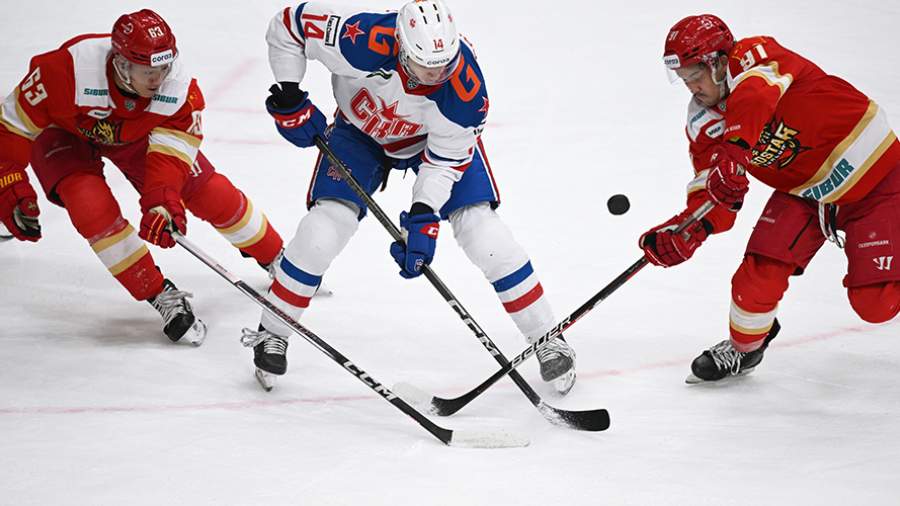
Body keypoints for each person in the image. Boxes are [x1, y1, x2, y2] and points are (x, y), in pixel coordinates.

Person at [240, 0, 576, 393]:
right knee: (323, 230)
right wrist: (289, 94)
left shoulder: (465, 94)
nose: (436, 75)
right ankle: (273, 330)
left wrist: (423, 213)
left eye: (444, 65)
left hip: (430, 144)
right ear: (401, 47)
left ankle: (546, 337)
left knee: (483, 232)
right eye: (424, 65)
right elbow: (289, 26)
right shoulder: (359, 39)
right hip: (359, 135)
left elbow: (446, 161)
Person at [639, 14, 900, 382]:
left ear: (718, 63)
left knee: (875, 304)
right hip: (807, 196)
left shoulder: (754, 54)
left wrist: (734, 150)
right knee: (754, 281)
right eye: (683, 79)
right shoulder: (703, 122)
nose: (691, 87)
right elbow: (713, 193)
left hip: (880, 183)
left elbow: (755, 96)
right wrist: (687, 230)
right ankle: (745, 351)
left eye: (695, 74)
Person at [0, 9, 284, 344]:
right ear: (122, 65)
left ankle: (278, 258)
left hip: (134, 134)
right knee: (89, 204)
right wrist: (9, 187)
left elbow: (171, 159)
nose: (159, 78)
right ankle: (156, 292)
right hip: (63, 133)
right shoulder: (64, 71)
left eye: (164, 67)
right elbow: (10, 128)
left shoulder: (178, 88)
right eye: (149, 71)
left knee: (207, 191)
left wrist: (163, 202)